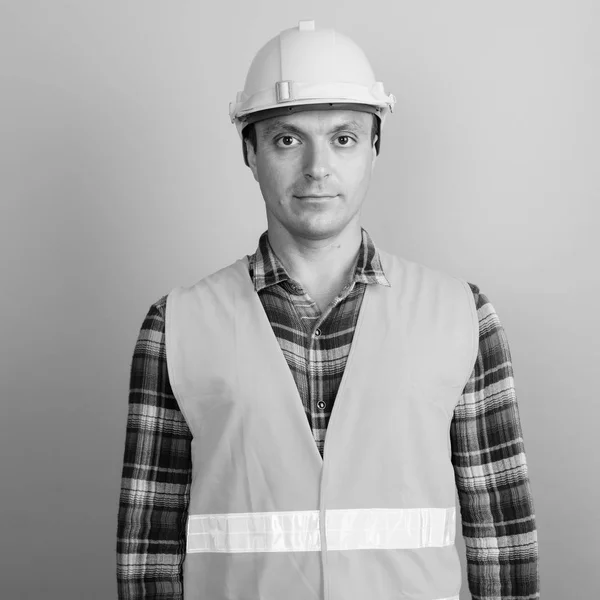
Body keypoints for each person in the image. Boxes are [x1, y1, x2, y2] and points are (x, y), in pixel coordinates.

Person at [117, 20, 539, 600]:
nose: (317, 168)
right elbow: (148, 557)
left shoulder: (463, 317)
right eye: (287, 139)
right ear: (250, 151)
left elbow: (504, 552)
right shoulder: (175, 328)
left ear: (374, 146)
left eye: (343, 138)